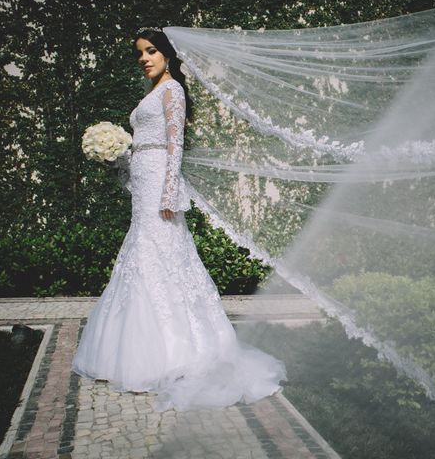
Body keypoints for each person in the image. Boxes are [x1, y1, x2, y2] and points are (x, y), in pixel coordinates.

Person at [71, 27, 287, 411]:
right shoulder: (151, 93)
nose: (144, 58)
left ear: (167, 54)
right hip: (143, 180)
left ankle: (178, 353)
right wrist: (117, 157)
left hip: (159, 185)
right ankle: (135, 349)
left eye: (151, 51)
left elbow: (176, 144)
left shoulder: (172, 91)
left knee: (166, 254)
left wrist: (170, 191)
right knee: (143, 253)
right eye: (140, 52)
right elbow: (145, 145)